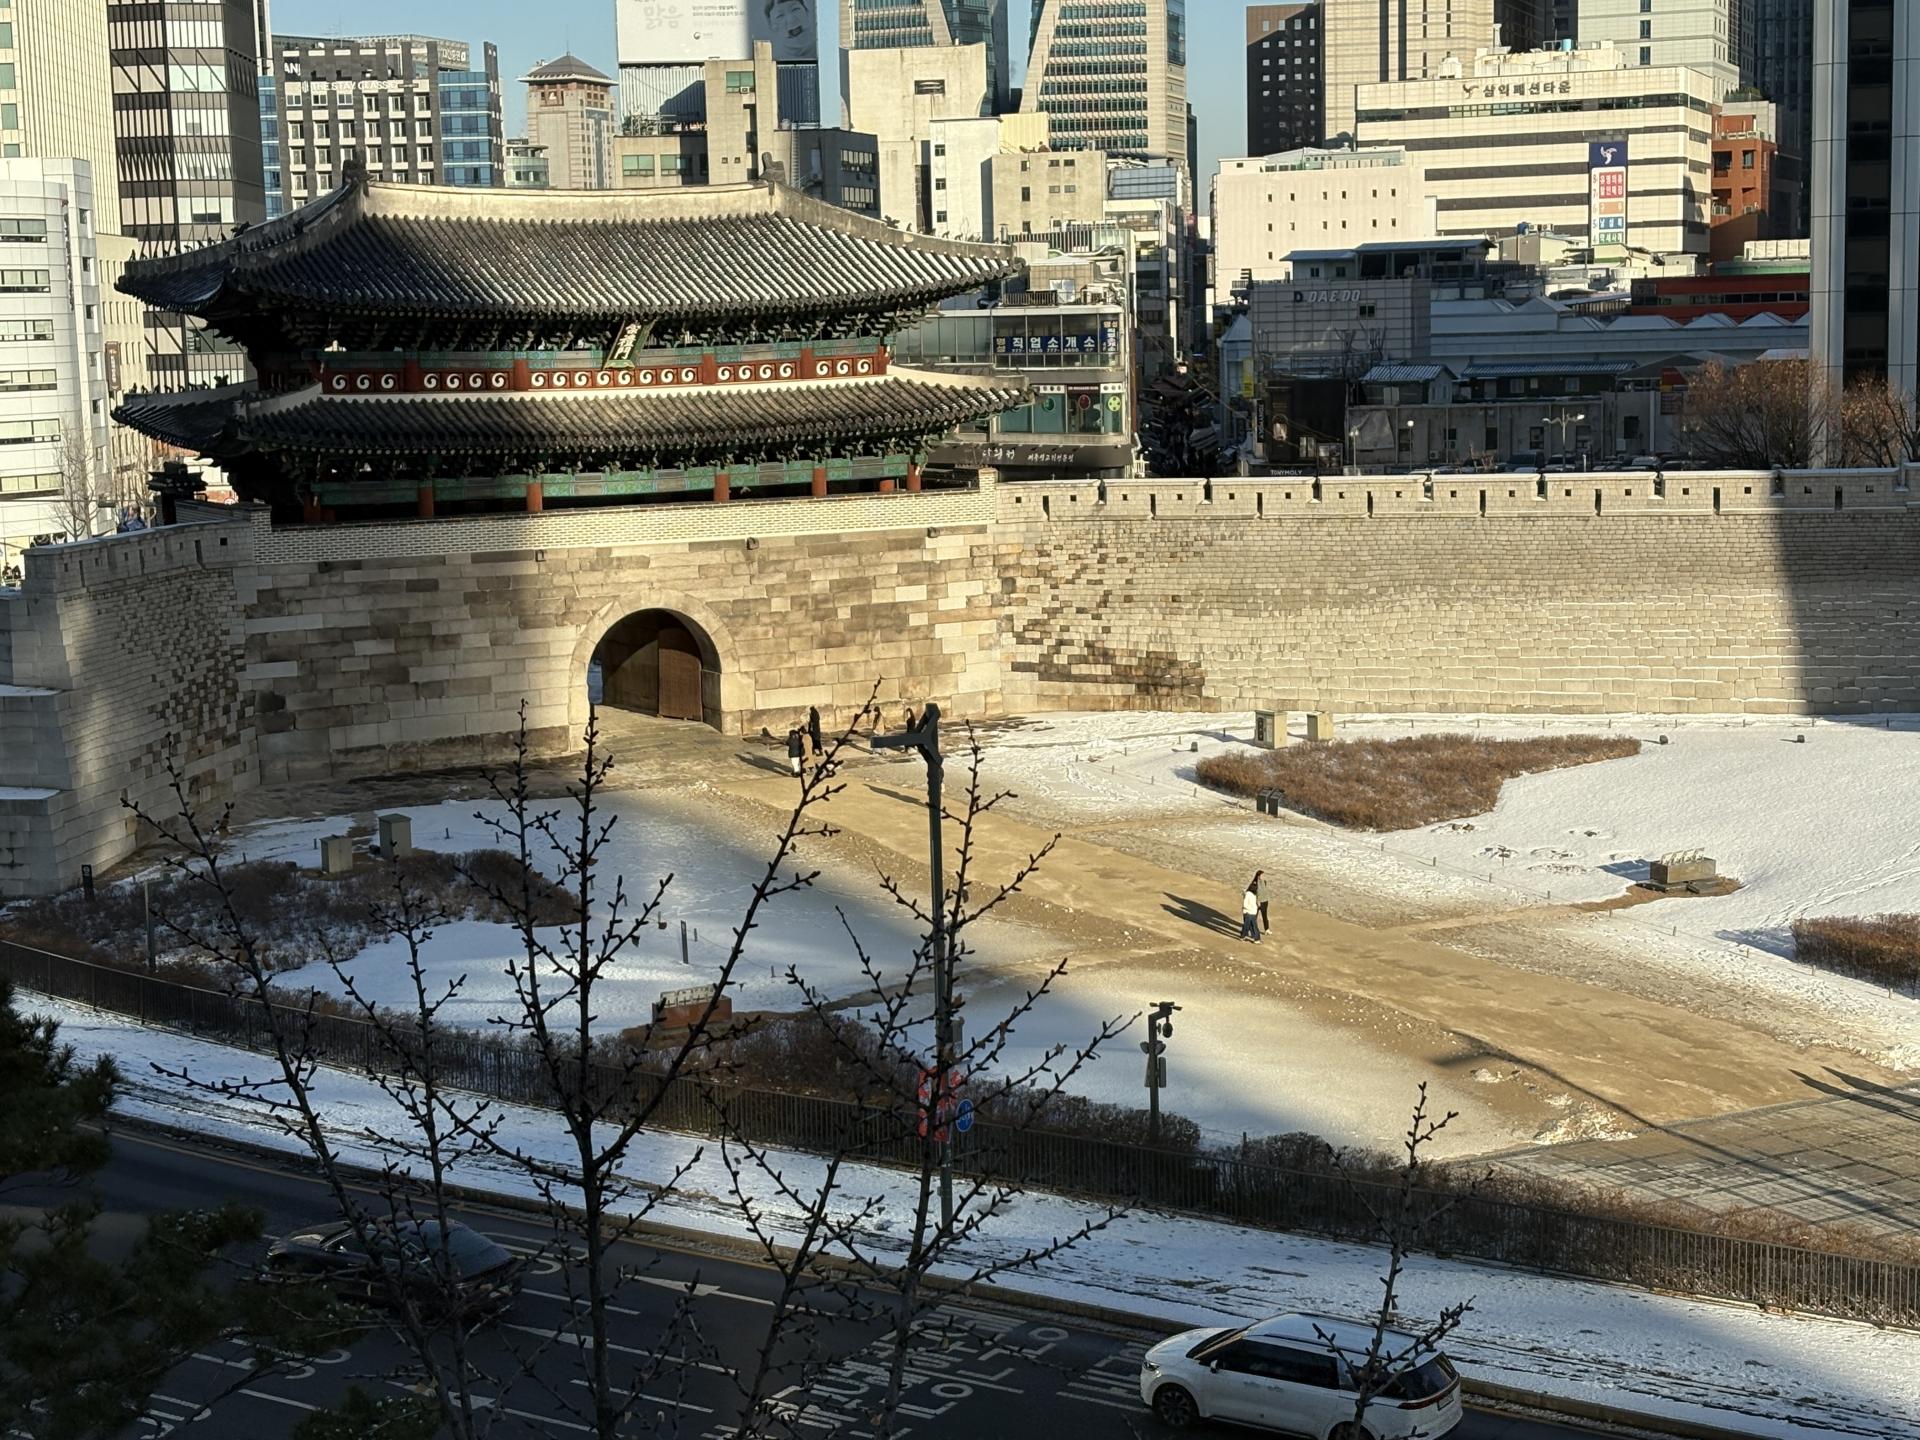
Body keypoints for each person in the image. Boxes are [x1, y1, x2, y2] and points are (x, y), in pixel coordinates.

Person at [1239, 875, 1261, 942]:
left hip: (1252, 912)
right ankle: (1256, 939)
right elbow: (1245, 904)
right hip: (1248, 912)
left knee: (1248, 926)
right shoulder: (1248, 894)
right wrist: (1249, 909)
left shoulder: (1253, 895)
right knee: (1252, 926)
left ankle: (1243, 936)